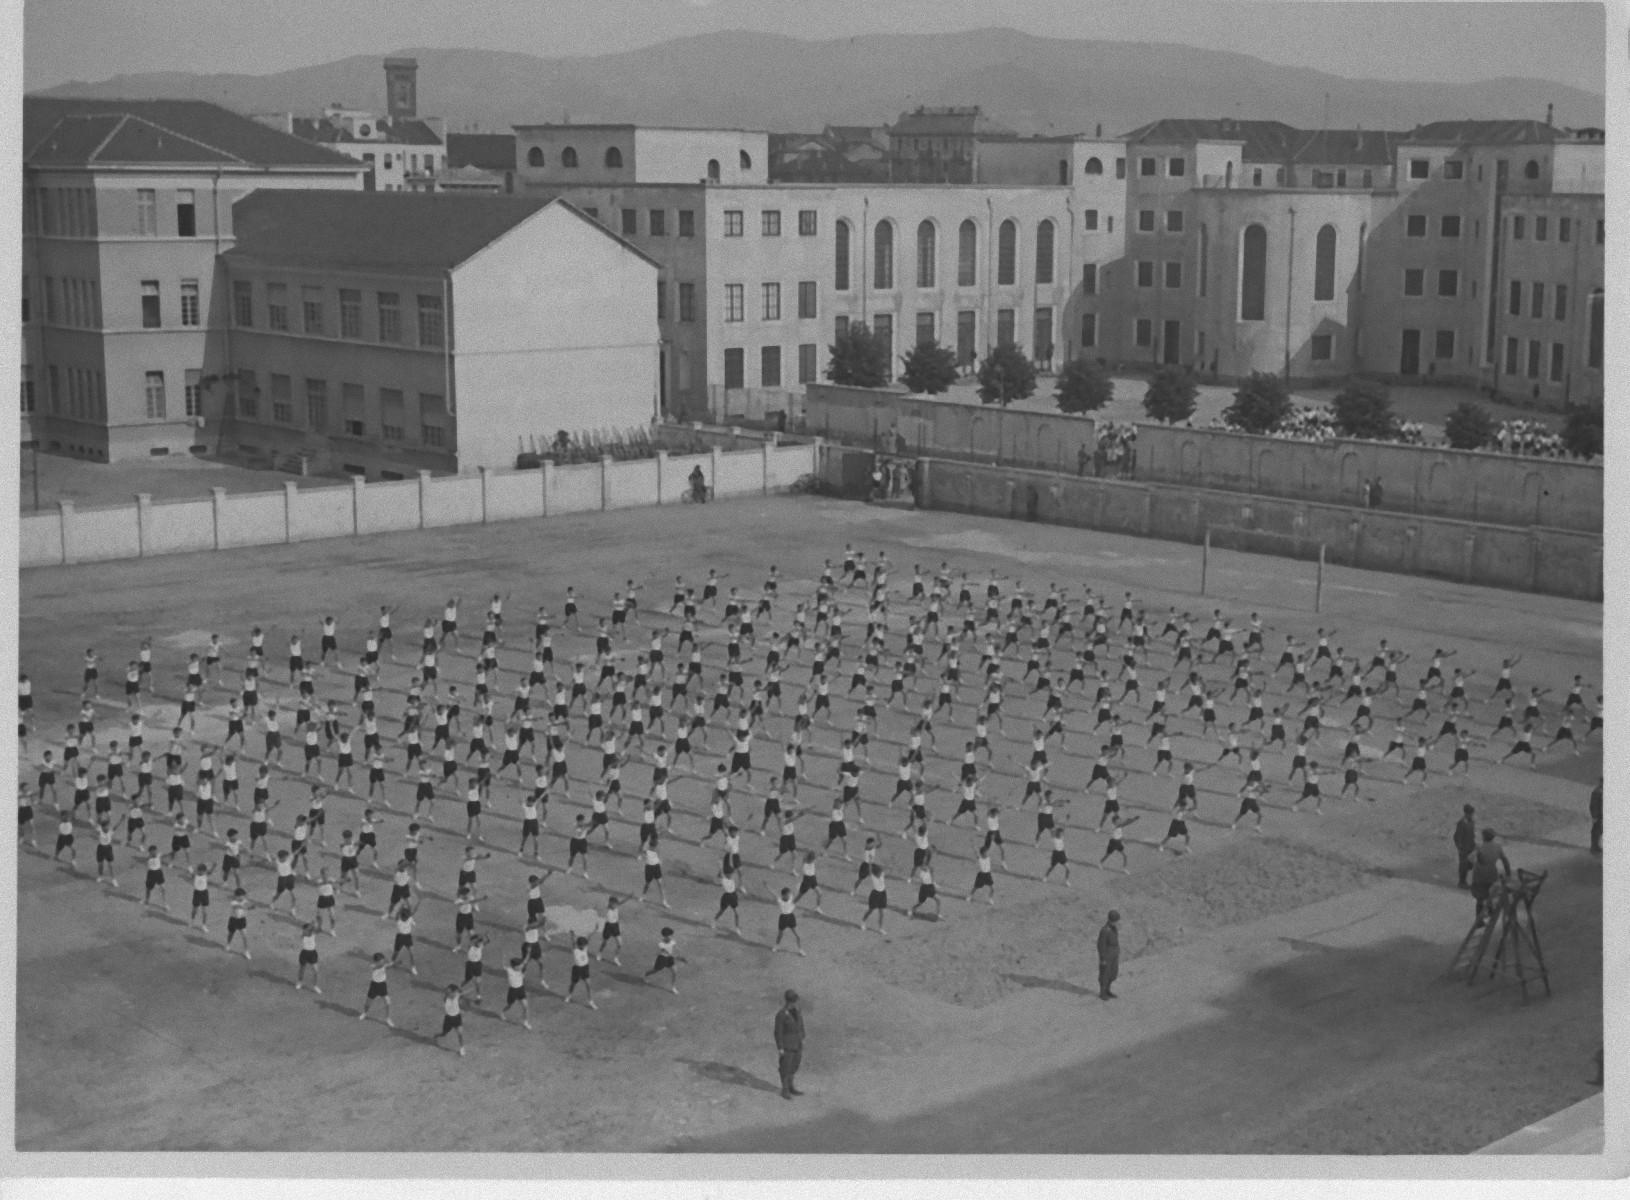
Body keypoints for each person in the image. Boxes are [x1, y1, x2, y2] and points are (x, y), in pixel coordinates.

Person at [1470, 828, 1512, 926]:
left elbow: (1470, 858)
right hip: (1492, 875)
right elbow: (1505, 861)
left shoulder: (1479, 847)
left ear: (1484, 836)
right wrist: (1508, 873)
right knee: (1490, 894)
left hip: (1479, 876)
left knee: (1480, 898)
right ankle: (1491, 912)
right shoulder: (1498, 847)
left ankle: (1479, 920)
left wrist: (1477, 863)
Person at [774, 989, 805, 1100]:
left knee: (795, 1065)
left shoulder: (797, 1012)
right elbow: (778, 1032)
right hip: (787, 1045)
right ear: (789, 1001)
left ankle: (791, 1087)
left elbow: (800, 1025)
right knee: (785, 1067)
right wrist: (780, 1047)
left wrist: (802, 1036)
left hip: (797, 1043)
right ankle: (785, 1089)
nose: (795, 1003)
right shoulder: (782, 1015)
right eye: (794, 1001)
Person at [1097, 910, 1121, 1000]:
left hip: (1114, 953)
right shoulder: (1105, 930)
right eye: (1116, 920)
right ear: (1112, 920)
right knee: (1105, 974)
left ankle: (1108, 990)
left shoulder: (1114, 929)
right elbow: (1101, 945)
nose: (1117, 922)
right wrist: (1102, 958)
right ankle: (1102, 993)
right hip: (1107, 955)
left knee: (1113, 973)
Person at [1453, 805, 1477, 889]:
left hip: (1470, 847)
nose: (1471, 815)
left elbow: (1472, 835)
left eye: (1472, 813)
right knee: (1463, 865)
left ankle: (1464, 881)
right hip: (1463, 849)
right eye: (1470, 813)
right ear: (1466, 813)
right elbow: (1457, 837)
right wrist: (1459, 848)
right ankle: (1462, 882)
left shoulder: (1471, 822)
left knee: (1469, 865)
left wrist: (1474, 845)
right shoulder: (1461, 823)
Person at [1589, 779, 1602, 855]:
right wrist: (1594, 816)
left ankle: (1596, 846)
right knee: (1596, 831)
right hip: (1598, 815)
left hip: (1601, 814)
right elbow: (1593, 805)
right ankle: (1594, 847)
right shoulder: (1597, 792)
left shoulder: (1601, 791)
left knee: (1599, 830)